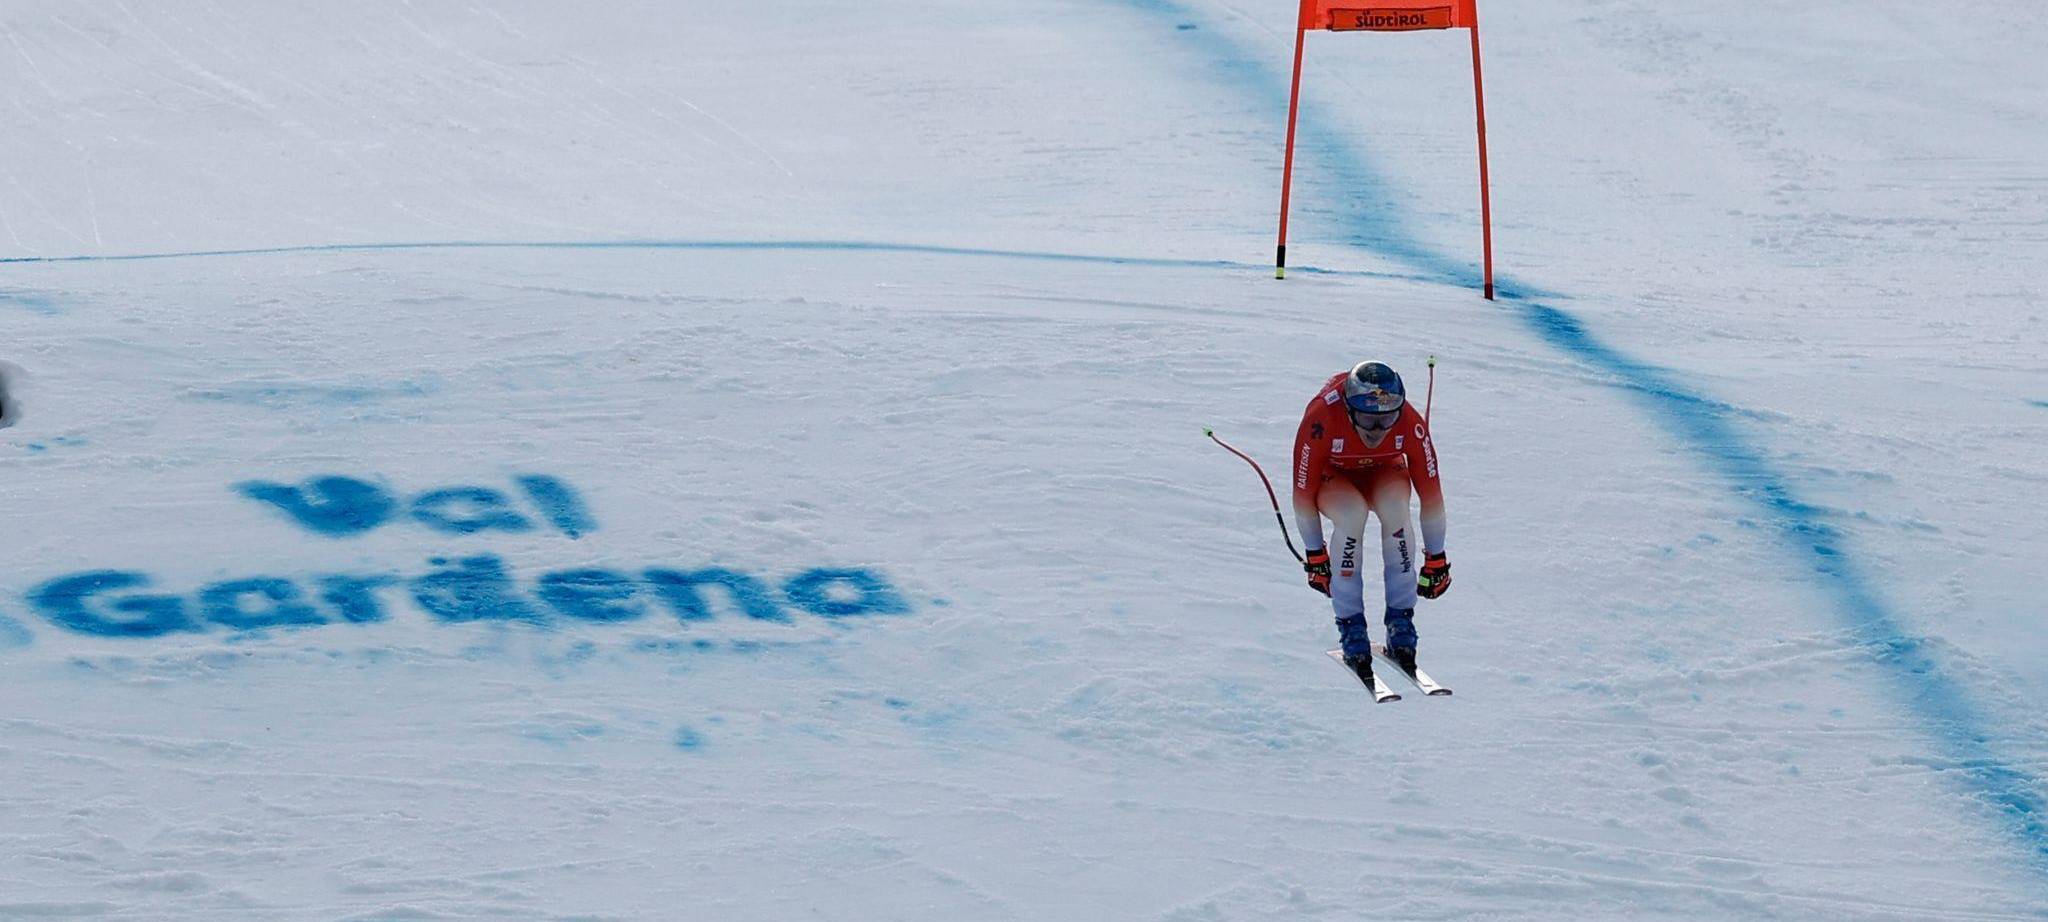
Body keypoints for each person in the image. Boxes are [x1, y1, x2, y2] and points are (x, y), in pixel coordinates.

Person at [1291, 361, 1451, 681]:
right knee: (1351, 516)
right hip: (1334, 476)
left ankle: (1401, 624)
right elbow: (1302, 495)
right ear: (1350, 411)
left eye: (1387, 419)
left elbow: (1431, 496)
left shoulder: (1409, 422)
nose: (1377, 431)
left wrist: (1436, 557)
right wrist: (1315, 553)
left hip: (1383, 472)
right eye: (1367, 419)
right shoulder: (1321, 418)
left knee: (1397, 513)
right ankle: (1352, 628)